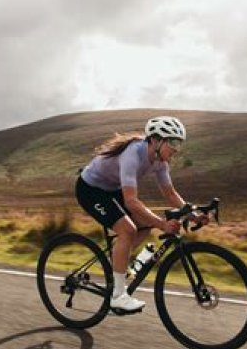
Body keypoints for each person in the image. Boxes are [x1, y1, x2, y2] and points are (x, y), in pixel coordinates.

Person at [75, 116, 206, 312]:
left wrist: (193, 214)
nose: (177, 148)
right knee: (127, 230)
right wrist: (162, 224)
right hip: (90, 189)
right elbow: (131, 201)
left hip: (112, 189)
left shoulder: (161, 162)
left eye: (179, 143)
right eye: (172, 142)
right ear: (155, 140)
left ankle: (117, 261)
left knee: (145, 224)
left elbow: (170, 194)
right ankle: (118, 296)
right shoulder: (132, 155)